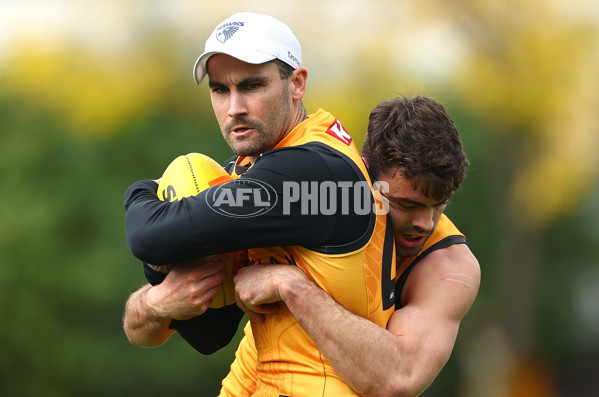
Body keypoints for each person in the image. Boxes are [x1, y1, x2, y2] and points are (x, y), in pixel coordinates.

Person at [124, 12, 397, 396]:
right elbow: (210, 334)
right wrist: (158, 300)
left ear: (297, 84)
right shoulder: (261, 167)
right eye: (220, 90)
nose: (234, 107)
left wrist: (141, 191)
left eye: (252, 85)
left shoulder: (309, 169)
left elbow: (148, 236)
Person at [226, 96, 480, 396]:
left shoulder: (449, 267)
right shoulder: (324, 196)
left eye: (439, 205)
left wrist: (292, 285)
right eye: (406, 204)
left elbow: (399, 379)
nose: (426, 223)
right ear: (364, 174)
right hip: (251, 369)